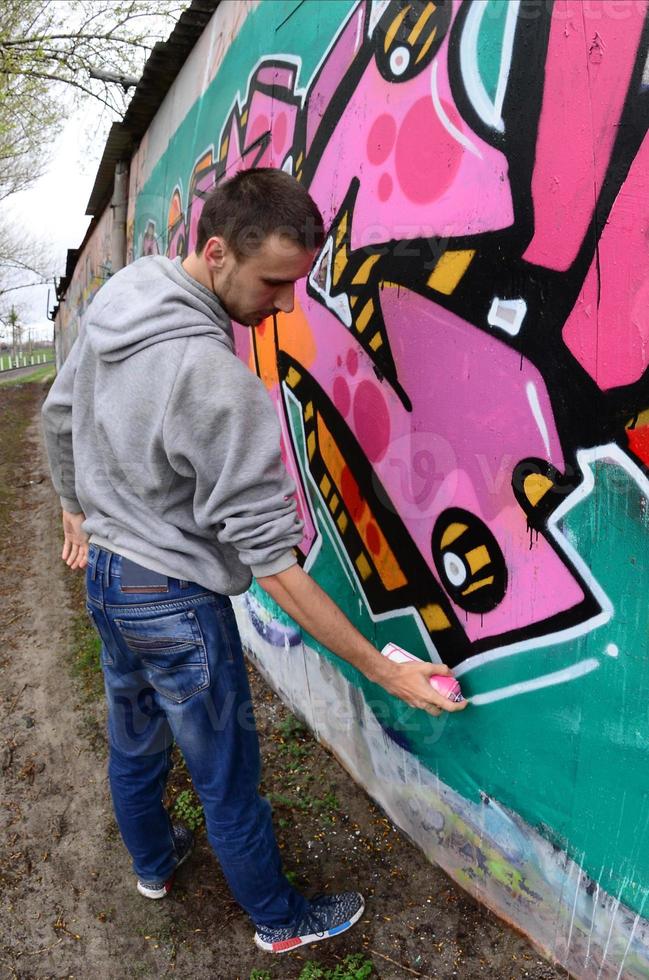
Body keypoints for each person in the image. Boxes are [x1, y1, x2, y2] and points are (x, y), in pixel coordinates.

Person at [42, 168, 465, 954]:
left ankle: (154, 865)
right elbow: (273, 565)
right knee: (225, 778)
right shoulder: (216, 380)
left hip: (108, 578)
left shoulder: (126, 293)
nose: (283, 303)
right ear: (215, 251)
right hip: (172, 600)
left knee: (134, 739)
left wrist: (76, 507)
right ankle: (278, 921)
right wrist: (382, 668)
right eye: (274, 280)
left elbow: (57, 412)